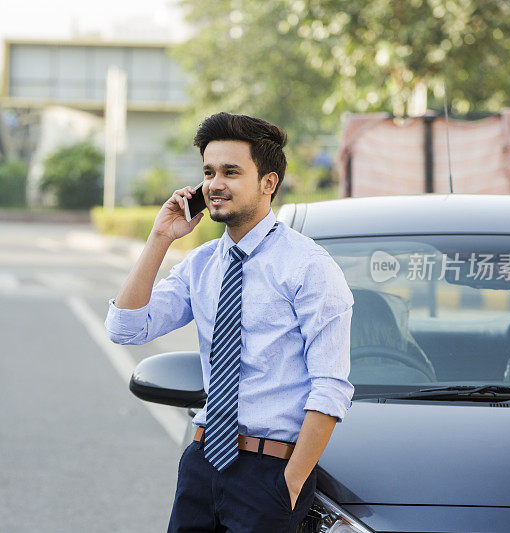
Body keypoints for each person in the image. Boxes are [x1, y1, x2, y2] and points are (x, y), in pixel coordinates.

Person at [104, 112, 355, 532]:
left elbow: (330, 387)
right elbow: (125, 328)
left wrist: (289, 486)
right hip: (202, 466)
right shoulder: (200, 265)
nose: (215, 184)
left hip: (269, 474)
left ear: (268, 183)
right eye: (208, 172)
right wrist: (160, 238)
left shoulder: (308, 267)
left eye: (231, 172)